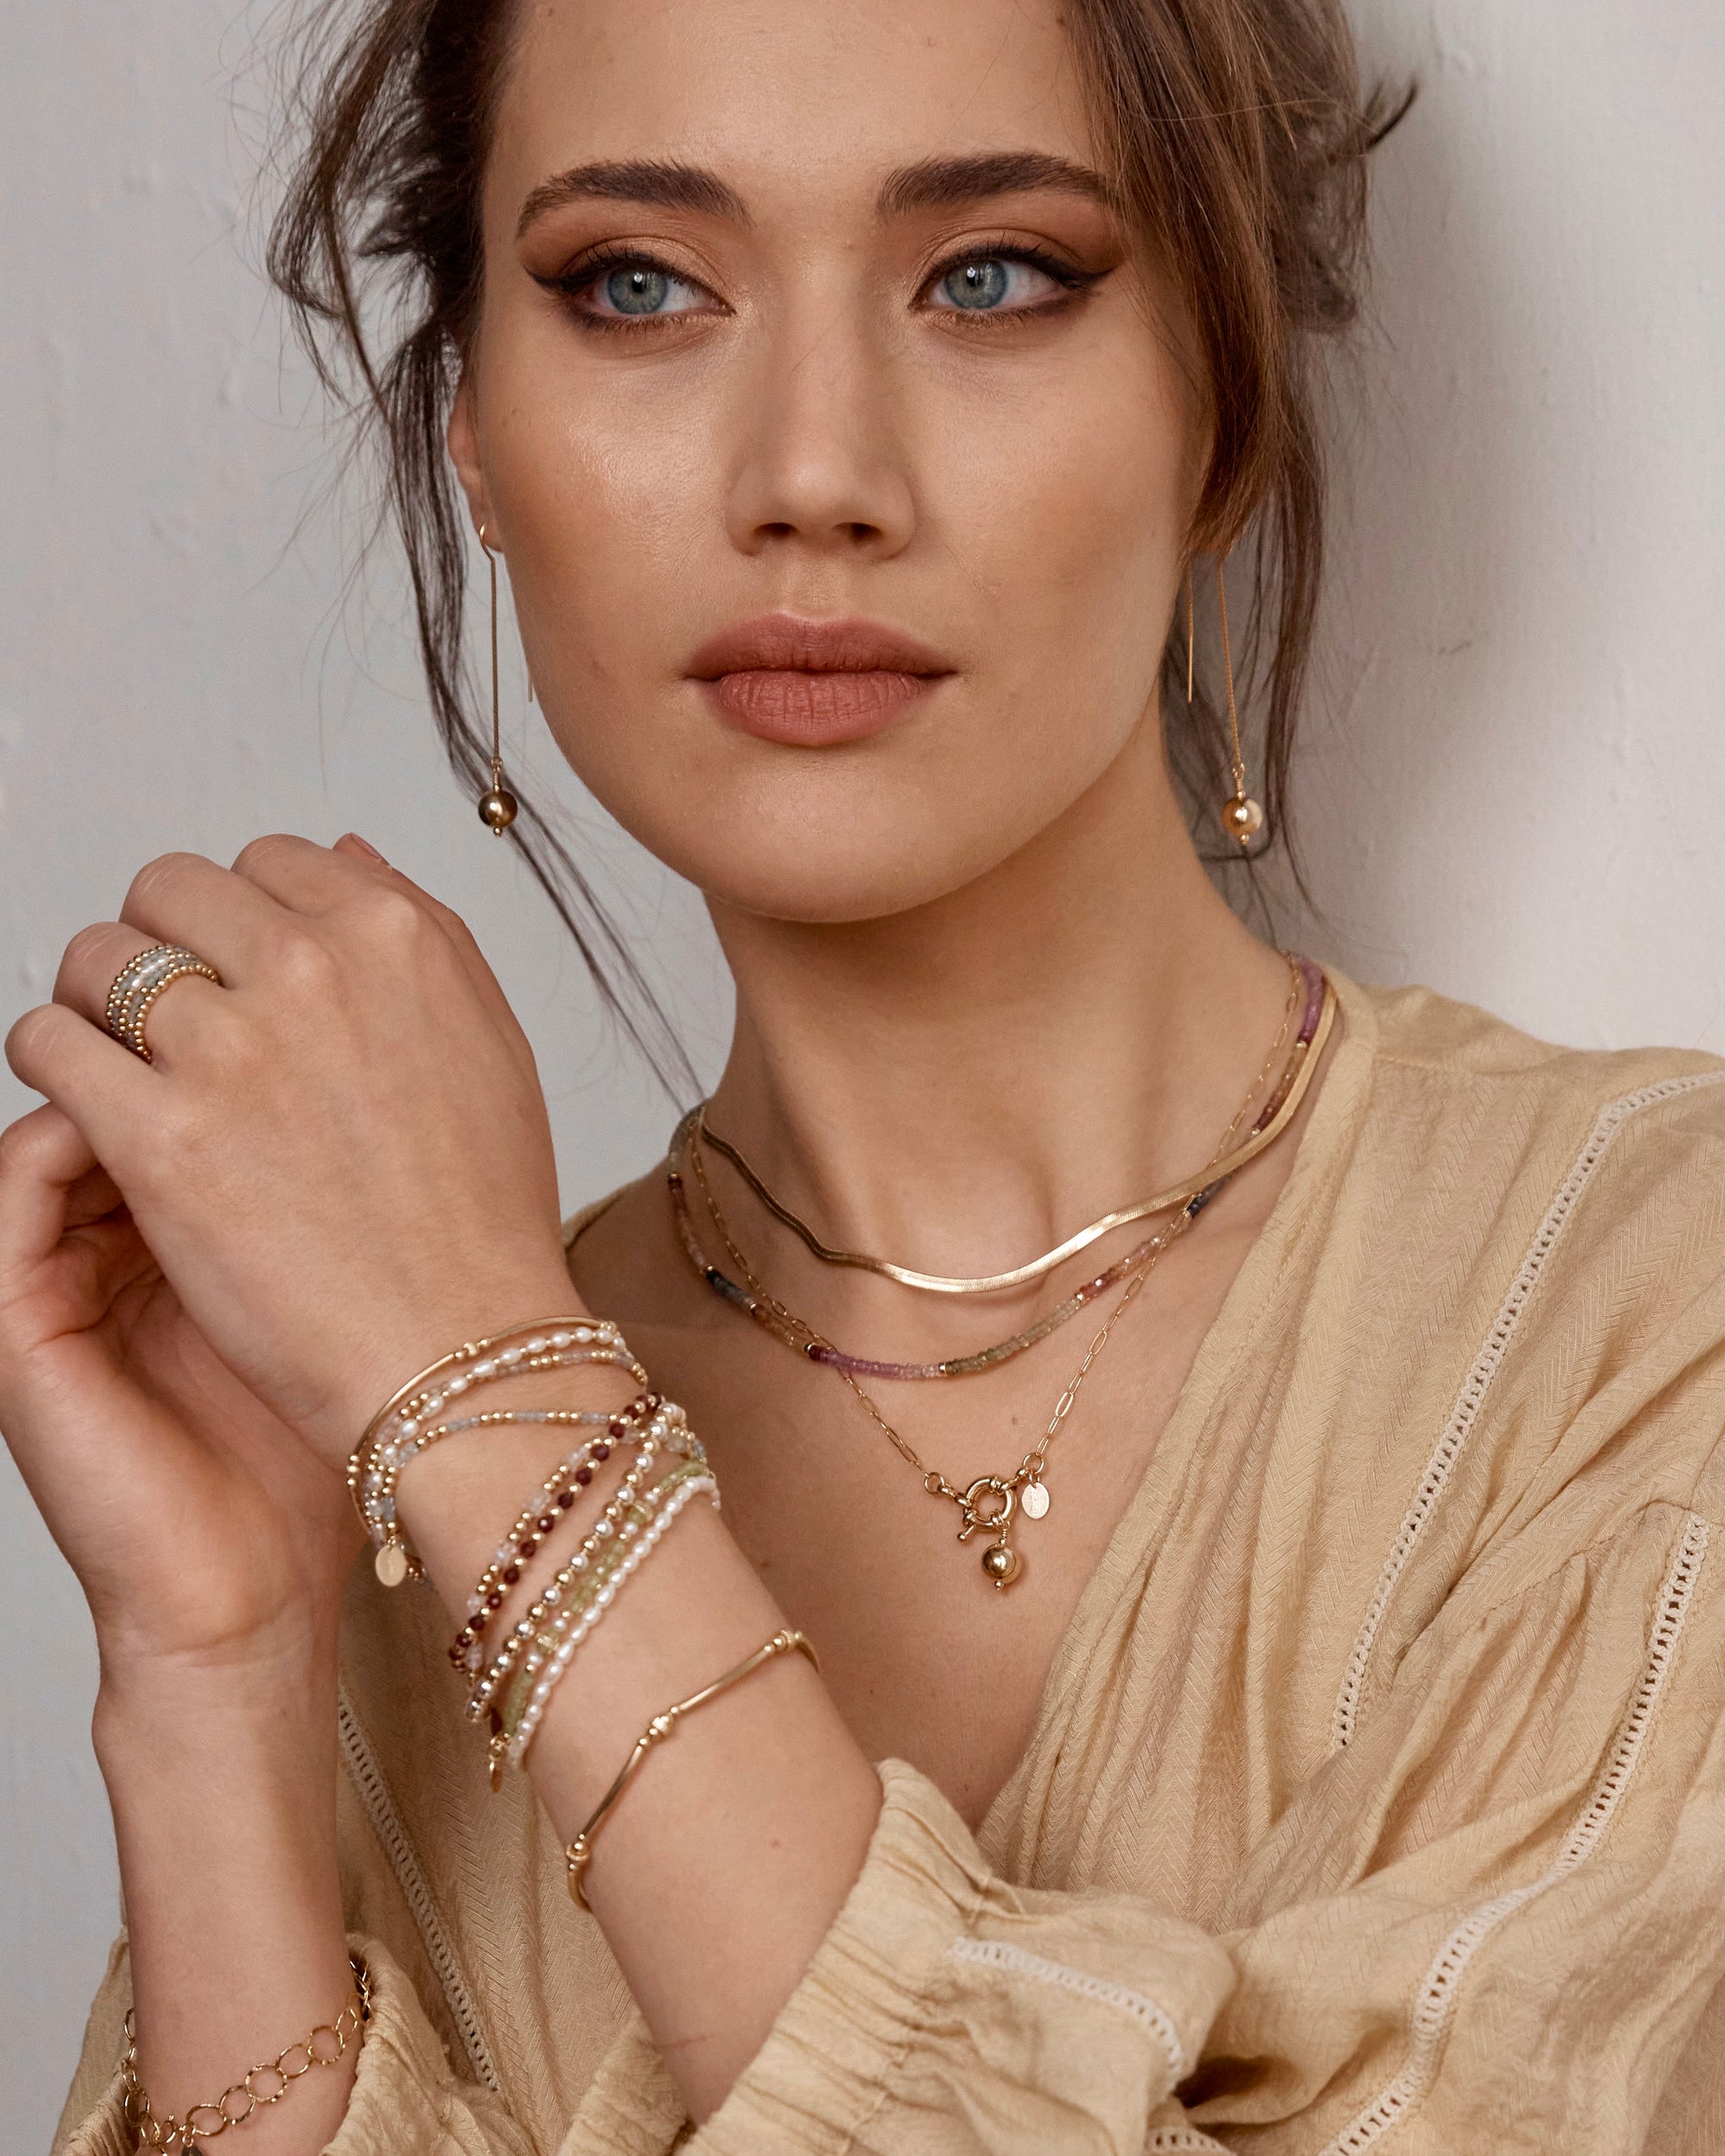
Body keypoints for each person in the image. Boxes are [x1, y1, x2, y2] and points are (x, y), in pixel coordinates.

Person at [6, 0, 1723, 2147]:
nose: (811, 474)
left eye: (990, 274)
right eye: (638, 285)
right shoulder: (362, 1466)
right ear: (475, 429)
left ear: (1222, 408)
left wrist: (511, 1421)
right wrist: (218, 1671)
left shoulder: (1647, 1313)